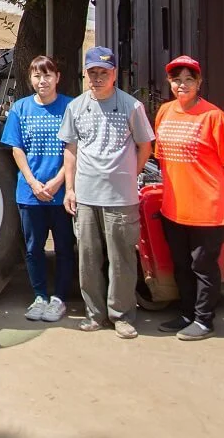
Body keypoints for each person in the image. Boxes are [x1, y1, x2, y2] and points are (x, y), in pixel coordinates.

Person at [60, 46, 154, 339]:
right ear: (85, 74)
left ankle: (122, 315)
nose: (98, 78)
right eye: (93, 72)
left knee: (122, 258)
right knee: (88, 258)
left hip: (120, 198)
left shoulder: (131, 106)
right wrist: (70, 189)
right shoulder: (75, 107)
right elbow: (71, 150)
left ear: (114, 75)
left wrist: (129, 175)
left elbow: (145, 146)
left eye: (104, 73)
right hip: (86, 196)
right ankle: (94, 314)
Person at [153, 55, 224, 341]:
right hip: (173, 206)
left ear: (199, 82)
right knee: (181, 265)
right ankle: (186, 313)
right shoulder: (165, 112)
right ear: (169, 82)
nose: (182, 84)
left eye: (188, 79)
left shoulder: (214, 116)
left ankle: (204, 320)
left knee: (202, 266)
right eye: (176, 79)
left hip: (206, 207)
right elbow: (163, 159)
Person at [0, 54, 75, 323]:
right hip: (31, 193)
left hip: (61, 193)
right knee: (33, 247)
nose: (42, 81)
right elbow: (17, 148)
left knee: (66, 247)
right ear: (30, 79)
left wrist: (58, 182)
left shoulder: (70, 108)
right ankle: (40, 296)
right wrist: (32, 182)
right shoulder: (20, 109)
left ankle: (59, 299)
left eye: (47, 75)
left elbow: (73, 148)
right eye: (37, 75)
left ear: (57, 78)